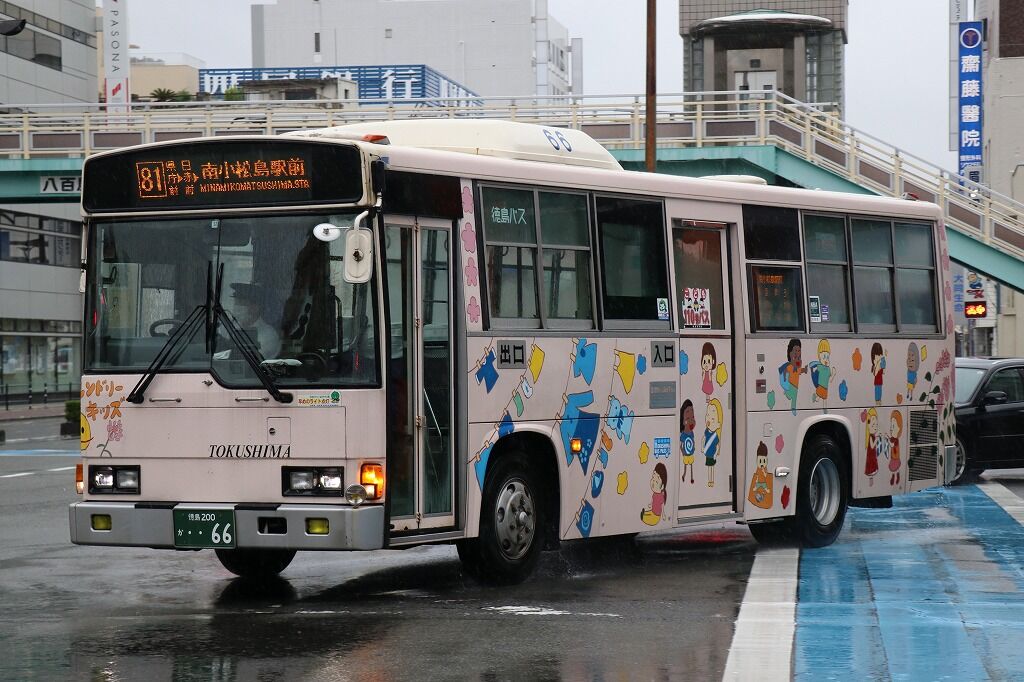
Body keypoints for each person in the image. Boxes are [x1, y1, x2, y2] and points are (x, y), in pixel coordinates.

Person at [229, 282, 281, 359]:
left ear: (255, 307)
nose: (236, 307)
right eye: (236, 302)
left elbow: (252, 361)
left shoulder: (268, 335)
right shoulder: (228, 327)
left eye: (241, 303)